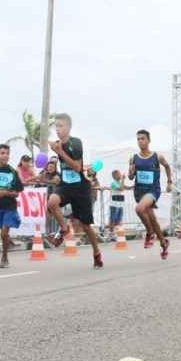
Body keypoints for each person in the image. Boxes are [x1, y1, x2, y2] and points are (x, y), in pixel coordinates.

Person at [47, 113, 104, 269]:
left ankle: (97, 252)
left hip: (80, 188)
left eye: (61, 126)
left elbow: (78, 167)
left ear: (69, 127)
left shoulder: (75, 143)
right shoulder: (58, 144)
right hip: (66, 186)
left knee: (86, 226)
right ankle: (64, 230)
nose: (58, 129)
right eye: (56, 126)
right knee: (52, 202)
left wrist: (60, 152)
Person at [128, 129, 172, 259]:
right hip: (139, 192)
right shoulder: (133, 158)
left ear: (148, 140)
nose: (140, 141)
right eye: (138, 139)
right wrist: (131, 172)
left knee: (139, 209)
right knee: (152, 219)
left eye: (143, 138)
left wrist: (169, 182)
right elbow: (131, 177)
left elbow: (167, 166)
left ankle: (149, 233)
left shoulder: (157, 156)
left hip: (153, 190)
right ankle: (163, 243)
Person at [0, 144, 24, 268]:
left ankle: (4, 257)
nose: (5, 155)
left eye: (7, 153)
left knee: (4, 234)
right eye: (2, 153)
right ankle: (3, 243)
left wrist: (6, 192)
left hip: (9, 207)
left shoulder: (12, 171)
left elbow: (17, 192)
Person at [108, 170, 131, 239]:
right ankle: (111, 234)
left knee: (118, 219)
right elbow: (121, 188)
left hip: (120, 204)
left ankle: (116, 232)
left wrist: (134, 186)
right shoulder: (113, 183)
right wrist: (123, 179)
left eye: (120, 174)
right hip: (114, 204)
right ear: (114, 176)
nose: (120, 175)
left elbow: (127, 187)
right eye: (119, 174)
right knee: (113, 219)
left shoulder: (120, 183)